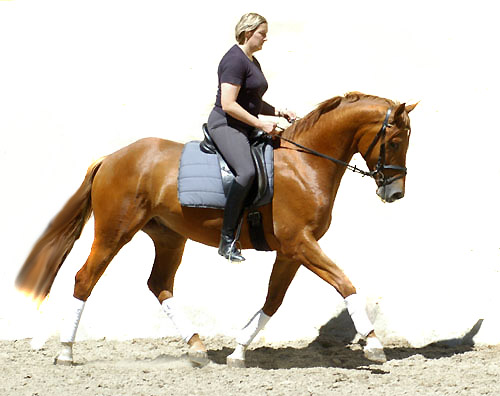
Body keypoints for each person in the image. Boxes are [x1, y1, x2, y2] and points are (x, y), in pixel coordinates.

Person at [207, 13, 296, 262]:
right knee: (246, 172)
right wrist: (260, 123)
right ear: (248, 33)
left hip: (243, 125)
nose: (265, 39)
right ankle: (227, 239)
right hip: (226, 125)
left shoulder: (251, 61)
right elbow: (228, 104)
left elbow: (252, 100)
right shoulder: (234, 60)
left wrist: (278, 112)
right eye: (262, 34)